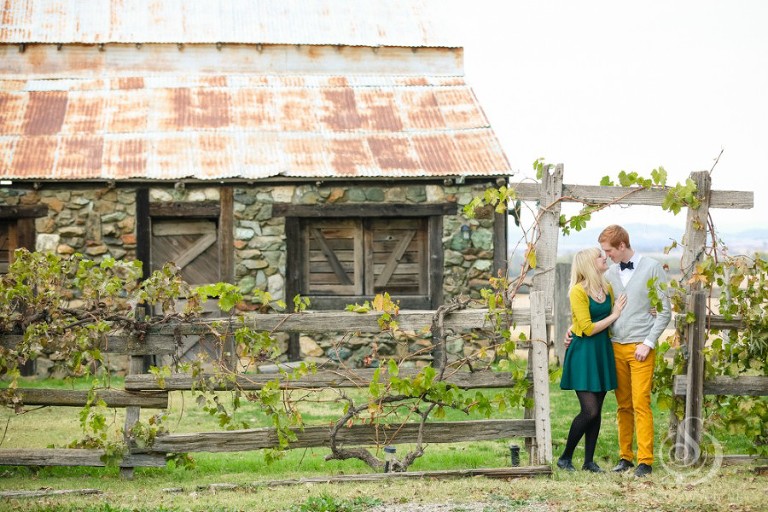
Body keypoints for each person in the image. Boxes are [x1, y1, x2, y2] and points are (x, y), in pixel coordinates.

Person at [557, 247, 626, 473]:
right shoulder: (577, 291)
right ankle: (565, 457)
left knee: (597, 408)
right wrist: (614, 314)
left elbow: (587, 320)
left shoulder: (606, 289)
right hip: (584, 353)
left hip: (601, 352)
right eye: (599, 256)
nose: (604, 257)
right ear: (589, 263)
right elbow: (586, 328)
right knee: (590, 410)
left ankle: (589, 461)